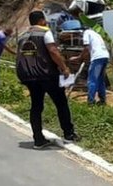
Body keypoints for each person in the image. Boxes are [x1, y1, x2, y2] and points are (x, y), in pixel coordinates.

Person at [16, 11, 80, 149]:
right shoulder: (45, 32)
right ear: (41, 21)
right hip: (46, 75)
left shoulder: (22, 36)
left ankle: (38, 140)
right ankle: (69, 133)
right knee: (61, 103)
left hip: (29, 76)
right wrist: (64, 68)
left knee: (36, 106)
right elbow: (53, 51)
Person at [69, 9, 110, 105]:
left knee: (92, 80)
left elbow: (86, 49)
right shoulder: (96, 33)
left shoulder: (87, 33)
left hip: (97, 57)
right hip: (104, 56)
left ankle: (90, 102)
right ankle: (102, 100)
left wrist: (78, 58)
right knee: (100, 79)